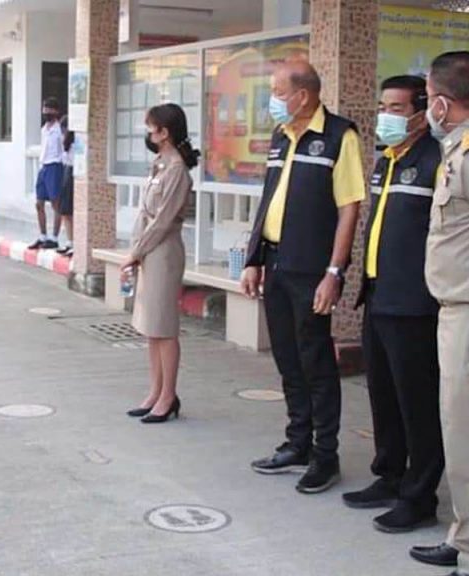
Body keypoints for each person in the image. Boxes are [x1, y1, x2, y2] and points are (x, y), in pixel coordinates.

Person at [241, 60, 365, 494]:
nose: (272, 100)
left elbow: (349, 208)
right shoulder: (282, 135)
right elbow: (269, 200)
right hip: (275, 263)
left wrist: (334, 272)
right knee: (287, 359)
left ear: (303, 96)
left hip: (311, 269)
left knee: (315, 361)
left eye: (278, 92)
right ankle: (298, 442)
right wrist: (253, 259)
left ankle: (325, 455)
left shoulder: (339, 136)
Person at [342, 75, 444, 534]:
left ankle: (419, 496)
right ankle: (389, 474)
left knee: (416, 402)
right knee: (382, 394)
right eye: (383, 107)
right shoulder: (387, 159)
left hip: (416, 303)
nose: (386, 116)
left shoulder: (436, 160)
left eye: (396, 108)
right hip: (379, 295)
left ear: (422, 113)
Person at [411, 51, 469, 576]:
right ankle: (464, 536)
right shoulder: (455, 150)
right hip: (452, 309)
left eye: (428, 99)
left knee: (463, 430)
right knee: (459, 430)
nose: (426, 109)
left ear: (444, 104)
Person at [123, 103, 199, 424]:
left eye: (150, 127)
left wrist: (136, 251)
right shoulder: (159, 164)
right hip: (148, 251)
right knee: (150, 327)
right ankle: (155, 391)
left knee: (164, 328)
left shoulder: (177, 170)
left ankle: (168, 396)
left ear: (164, 132)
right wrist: (136, 249)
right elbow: (145, 214)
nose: (147, 132)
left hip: (163, 253)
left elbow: (164, 220)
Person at [29, 97, 64, 250]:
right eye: (45, 108)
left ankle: (54, 237)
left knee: (56, 203)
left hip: (55, 166)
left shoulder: (59, 129)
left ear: (56, 111)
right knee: (39, 203)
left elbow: (63, 149)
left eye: (50, 109)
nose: (46, 111)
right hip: (44, 166)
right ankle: (42, 235)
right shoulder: (44, 129)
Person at [57, 114, 75, 257]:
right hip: (66, 172)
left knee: (70, 211)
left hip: (73, 173)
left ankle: (74, 242)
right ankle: (70, 241)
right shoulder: (65, 142)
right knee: (65, 211)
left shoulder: (76, 142)